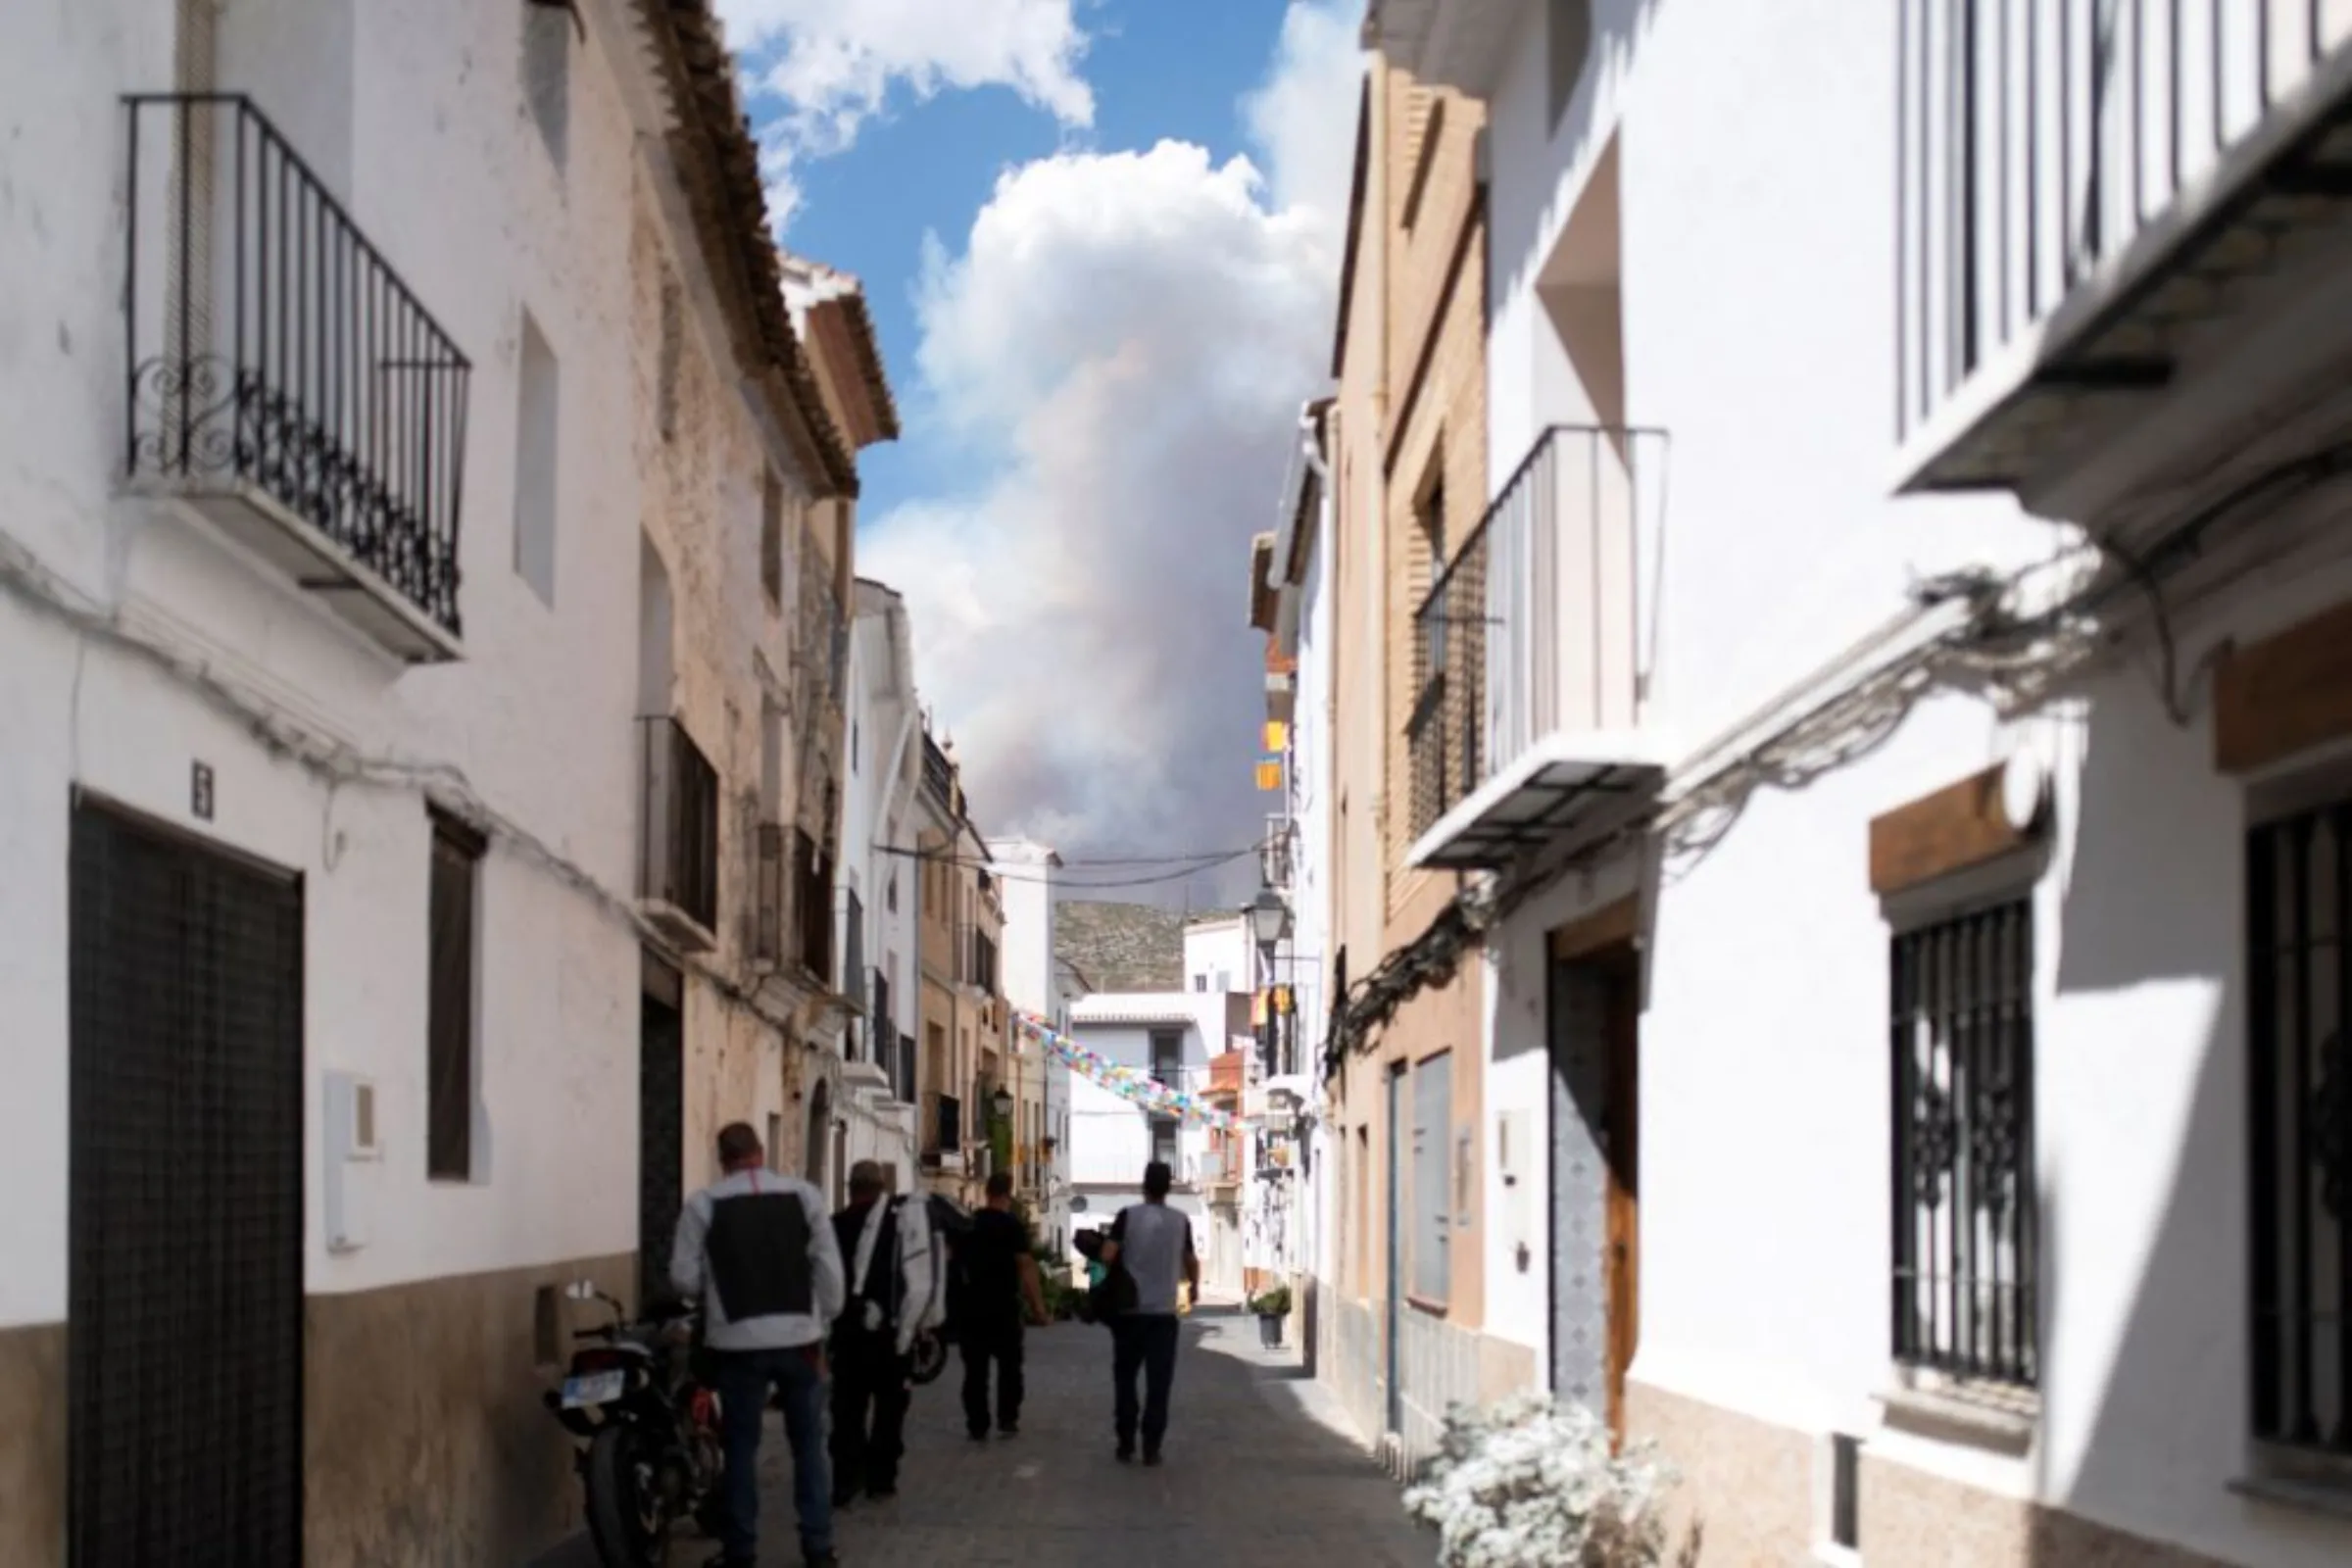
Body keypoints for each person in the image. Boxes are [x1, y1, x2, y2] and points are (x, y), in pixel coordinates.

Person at [670, 1122, 845, 1568]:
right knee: (808, 1445)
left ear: (721, 1158)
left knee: (741, 1448)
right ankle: (818, 1546)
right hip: (800, 1338)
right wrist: (825, 1316)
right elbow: (828, 1267)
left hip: (737, 1342)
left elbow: (684, 1278)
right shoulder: (804, 1196)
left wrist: (712, 1292)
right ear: (761, 1152)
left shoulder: (703, 1205)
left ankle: (741, 1549)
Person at [827, 1161, 935, 1505]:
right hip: (891, 1336)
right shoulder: (901, 1227)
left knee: (847, 1409)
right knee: (890, 1408)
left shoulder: (835, 1226)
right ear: (881, 1186)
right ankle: (882, 1478)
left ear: (850, 1187)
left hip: (847, 1334)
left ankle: (847, 1476)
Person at [1101, 1159, 1200, 1466]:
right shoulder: (1181, 1221)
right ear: (1168, 1187)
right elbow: (1190, 1260)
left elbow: (1107, 1256)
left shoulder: (1126, 1216)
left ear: (1144, 1185)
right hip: (1163, 1315)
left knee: (1125, 1378)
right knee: (1159, 1383)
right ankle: (1152, 1447)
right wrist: (1193, 1287)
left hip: (1129, 1313)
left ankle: (1125, 1442)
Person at [956, 1170, 1047, 1440]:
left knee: (975, 1371)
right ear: (1008, 1193)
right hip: (1004, 1306)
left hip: (973, 1307)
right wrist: (1038, 1307)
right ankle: (1007, 1418)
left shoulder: (970, 1224)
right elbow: (1026, 1267)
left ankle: (977, 1423)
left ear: (987, 1192)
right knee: (1009, 1367)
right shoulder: (1012, 1226)